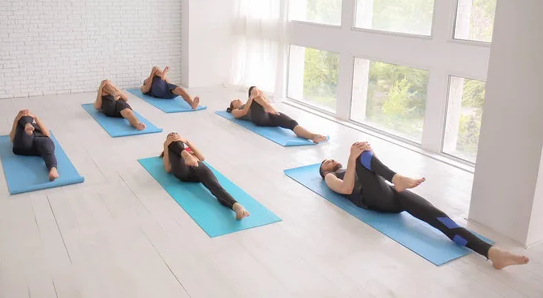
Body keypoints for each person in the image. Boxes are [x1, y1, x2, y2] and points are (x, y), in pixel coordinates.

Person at [319, 141, 530, 270]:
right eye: (325, 162)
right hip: (374, 200)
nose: (329, 161)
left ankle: (492, 253)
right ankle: (397, 178)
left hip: (390, 194)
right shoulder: (330, 177)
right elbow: (347, 189)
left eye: (329, 158)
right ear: (324, 171)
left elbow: (373, 171)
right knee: (363, 154)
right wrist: (354, 157)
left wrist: (363, 154)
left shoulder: (354, 165)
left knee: (436, 216)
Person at [161, 132, 249, 220]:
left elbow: (202, 158)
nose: (173, 135)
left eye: (175, 134)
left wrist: (186, 141)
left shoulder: (188, 148)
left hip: (198, 167)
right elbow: (168, 169)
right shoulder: (170, 154)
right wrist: (166, 144)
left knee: (217, 187)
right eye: (170, 135)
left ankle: (237, 207)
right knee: (173, 145)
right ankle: (185, 155)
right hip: (184, 172)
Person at [227, 86, 327, 144]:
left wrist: (257, 96)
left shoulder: (253, 101)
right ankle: (268, 106)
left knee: (292, 123)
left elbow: (257, 98)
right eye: (234, 101)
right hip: (260, 119)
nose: (237, 99)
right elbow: (244, 112)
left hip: (269, 115)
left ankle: (312, 136)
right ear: (233, 106)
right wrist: (252, 97)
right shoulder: (235, 111)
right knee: (252, 89)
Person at [9, 109, 59, 181]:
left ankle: (53, 171)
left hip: (38, 144)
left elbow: (47, 134)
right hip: (24, 143)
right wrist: (16, 120)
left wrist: (35, 117)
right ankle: (27, 126)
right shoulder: (19, 128)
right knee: (47, 144)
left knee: (46, 142)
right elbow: (11, 138)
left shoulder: (36, 125)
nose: (26, 114)